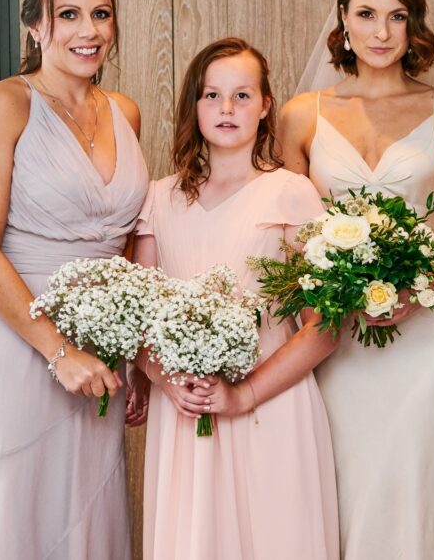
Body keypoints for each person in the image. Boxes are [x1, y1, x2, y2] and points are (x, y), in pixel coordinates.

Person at [0, 0, 148, 559]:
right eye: (69, 15)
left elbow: (128, 245)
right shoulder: (4, 105)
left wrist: (131, 351)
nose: (89, 32)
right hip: (17, 336)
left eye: (102, 14)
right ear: (35, 25)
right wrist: (59, 352)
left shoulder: (125, 112)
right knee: (16, 495)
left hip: (100, 343)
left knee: (85, 502)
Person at [279, 0, 434, 559]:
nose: (382, 32)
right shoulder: (300, 115)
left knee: (421, 487)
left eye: (397, 16)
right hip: (338, 335)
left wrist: (411, 292)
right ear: (342, 21)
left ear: (413, 24)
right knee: (345, 484)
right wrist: (340, 296)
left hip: (428, 335)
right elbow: (291, 241)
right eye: (366, 15)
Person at [134, 37, 339, 559]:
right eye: (212, 95)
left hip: (269, 406)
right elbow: (137, 317)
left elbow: (325, 326)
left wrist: (242, 395)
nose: (227, 109)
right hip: (185, 409)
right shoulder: (158, 199)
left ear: (265, 105)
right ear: (194, 105)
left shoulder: (292, 192)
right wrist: (168, 380)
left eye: (242, 96)